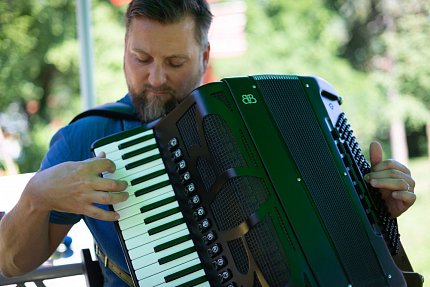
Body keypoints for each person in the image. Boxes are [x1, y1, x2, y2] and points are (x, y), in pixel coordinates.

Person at [0, 0, 416, 286]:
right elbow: (10, 261)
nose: (156, 79)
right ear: (125, 51)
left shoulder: (258, 121)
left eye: (175, 62)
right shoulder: (85, 140)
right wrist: (36, 196)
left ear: (204, 56)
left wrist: (378, 208)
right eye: (140, 59)